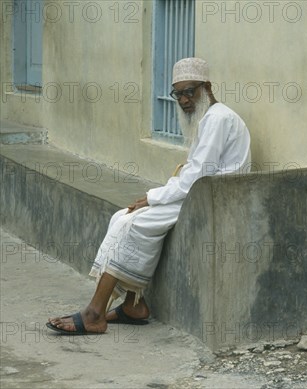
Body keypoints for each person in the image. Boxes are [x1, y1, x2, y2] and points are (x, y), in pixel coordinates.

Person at [47, 58, 251, 334]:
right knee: (122, 216)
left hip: (214, 199)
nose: (184, 99)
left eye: (189, 91)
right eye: (177, 93)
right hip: (199, 193)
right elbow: (193, 174)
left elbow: (197, 176)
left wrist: (153, 197)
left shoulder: (218, 119)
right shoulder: (210, 118)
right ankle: (133, 305)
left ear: (207, 87)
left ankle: (95, 313)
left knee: (134, 224)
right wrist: (155, 197)